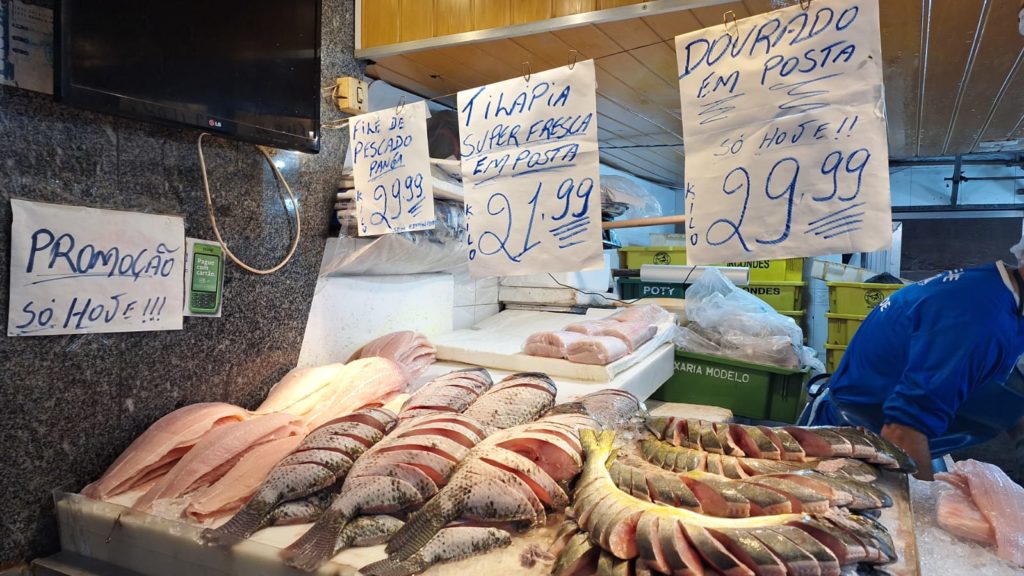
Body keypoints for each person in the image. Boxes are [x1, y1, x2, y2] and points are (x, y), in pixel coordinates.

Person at [799, 251, 1024, 480]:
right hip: (856, 443)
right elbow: (902, 431)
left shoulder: (998, 292)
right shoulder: (980, 320)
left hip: (901, 436)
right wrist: (926, 504)